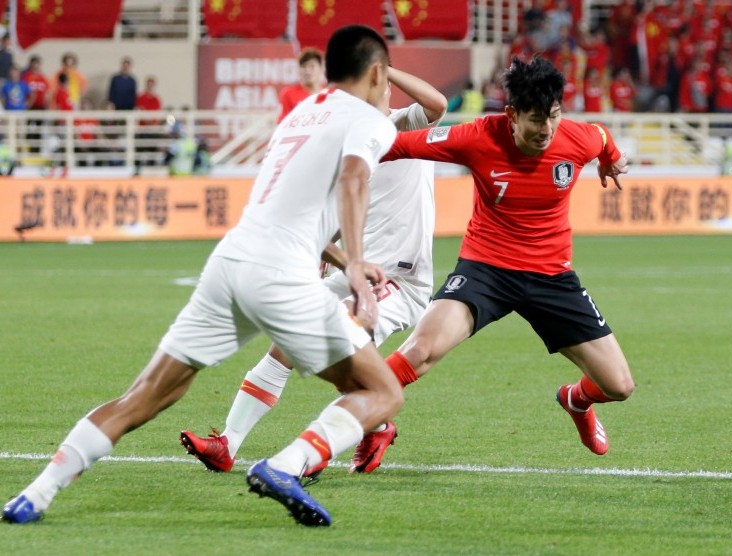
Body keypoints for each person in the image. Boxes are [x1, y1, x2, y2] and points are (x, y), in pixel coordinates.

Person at [3, 24, 400, 528]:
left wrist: (346, 263)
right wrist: (361, 275)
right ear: (378, 73)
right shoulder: (369, 118)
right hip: (281, 275)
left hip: (230, 261)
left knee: (144, 396)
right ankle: (285, 465)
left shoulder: (302, 113)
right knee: (382, 392)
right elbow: (354, 178)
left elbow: (286, 204)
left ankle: (35, 494)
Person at [351, 55, 635, 468]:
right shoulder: (477, 137)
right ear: (511, 115)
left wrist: (610, 160)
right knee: (420, 351)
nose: (547, 130)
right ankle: (347, 429)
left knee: (619, 386)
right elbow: (396, 146)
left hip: (552, 276)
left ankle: (575, 400)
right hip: (486, 270)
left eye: (554, 116)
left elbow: (602, 139)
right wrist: (341, 150)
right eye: (537, 120)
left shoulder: (578, 138)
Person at [180, 65, 447, 475]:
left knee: (334, 341)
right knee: (284, 340)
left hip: (398, 278)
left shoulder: (400, 125)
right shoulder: (346, 149)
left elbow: (437, 104)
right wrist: (331, 245)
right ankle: (227, 444)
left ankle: (330, 442)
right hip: (355, 272)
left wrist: (386, 66)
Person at [277, 47, 325, 123]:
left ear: (321, 69)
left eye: (312, 66)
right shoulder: (289, 94)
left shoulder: (328, 94)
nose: (307, 71)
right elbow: (281, 123)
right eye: (303, 67)